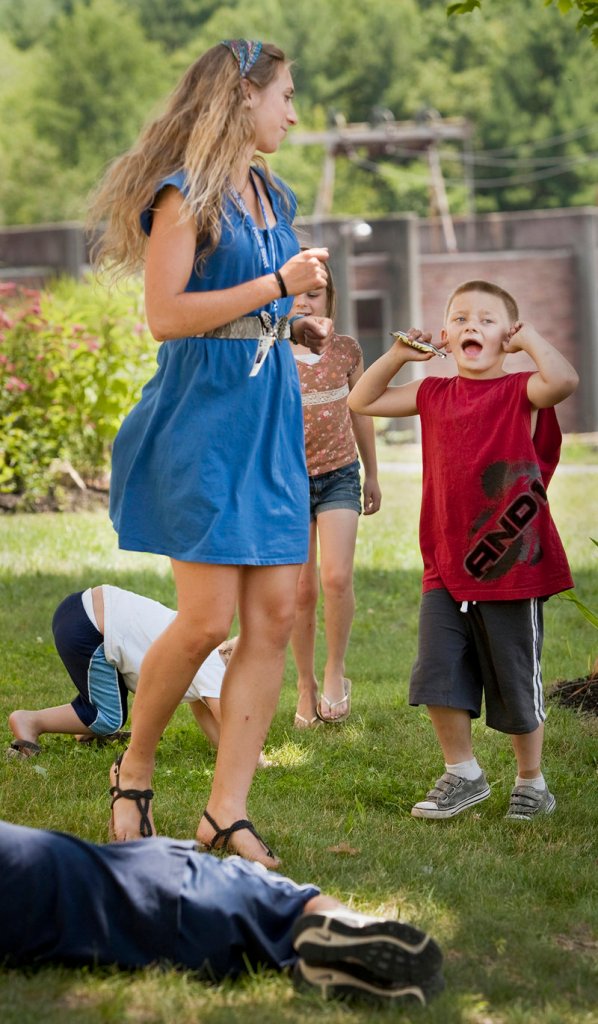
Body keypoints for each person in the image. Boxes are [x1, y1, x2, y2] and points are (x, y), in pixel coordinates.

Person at [87, 40, 334, 865]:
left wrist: (291, 322)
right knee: (204, 620)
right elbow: (167, 314)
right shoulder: (181, 195)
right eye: (286, 96)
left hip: (268, 413)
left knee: (276, 613)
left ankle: (225, 813)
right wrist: (276, 288)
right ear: (241, 99)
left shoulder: (273, 192)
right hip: (202, 420)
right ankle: (136, 767)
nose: (293, 113)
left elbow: (248, 302)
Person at [348, 279, 578, 821]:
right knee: (436, 672)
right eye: (459, 318)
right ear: (446, 338)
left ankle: (532, 781)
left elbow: (563, 380)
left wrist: (532, 340)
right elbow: (363, 399)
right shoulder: (431, 394)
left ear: (509, 337)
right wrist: (400, 354)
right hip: (445, 565)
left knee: (515, 680)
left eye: (488, 319)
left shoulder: (521, 390)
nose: (471, 324)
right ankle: (463, 772)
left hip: (509, 564)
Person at [0, 818, 444, 1006]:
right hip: (165, 893)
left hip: (106, 938)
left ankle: (314, 959)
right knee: (260, 891)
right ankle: (334, 921)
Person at [289, 261, 381, 727]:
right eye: (297, 294)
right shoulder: (273, 353)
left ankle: (334, 671)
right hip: (288, 481)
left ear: (331, 300)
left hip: (341, 475)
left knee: (336, 578)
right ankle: (304, 685)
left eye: (315, 295)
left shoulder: (346, 350)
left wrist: (373, 473)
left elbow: (362, 413)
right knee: (301, 589)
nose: (305, 303)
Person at [7, 585, 243, 762]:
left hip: (82, 608)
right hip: (89, 629)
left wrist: (222, 746)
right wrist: (255, 760)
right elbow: (232, 724)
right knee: (108, 718)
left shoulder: (206, 650)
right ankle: (30, 721)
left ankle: (84, 730)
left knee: (106, 703)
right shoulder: (213, 668)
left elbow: (209, 717)